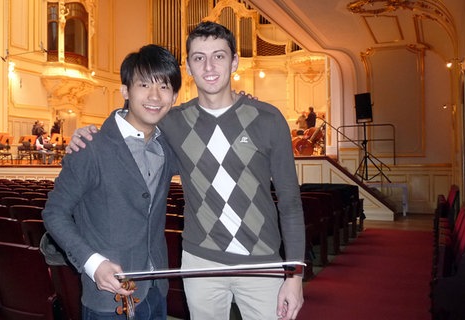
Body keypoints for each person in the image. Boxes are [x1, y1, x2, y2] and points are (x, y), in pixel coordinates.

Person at [69, 21, 305, 320]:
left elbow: (291, 204)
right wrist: (88, 134)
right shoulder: (173, 122)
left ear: (234, 61)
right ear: (189, 67)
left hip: (261, 263)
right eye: (198, 57)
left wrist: (294, 275)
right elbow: (132, 122)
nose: (209, 65)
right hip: (200, 263)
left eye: (219, 56)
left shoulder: (268, 119)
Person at [42, 44, 181, 320]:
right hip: (109, 297)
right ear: (126, 91)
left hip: (155, 290)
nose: (154, 96)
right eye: (144, 85)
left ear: (174, 96)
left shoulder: (168, 145)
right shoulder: (90, 147)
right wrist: (94, 264)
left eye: (164, 87)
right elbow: (54, 213)